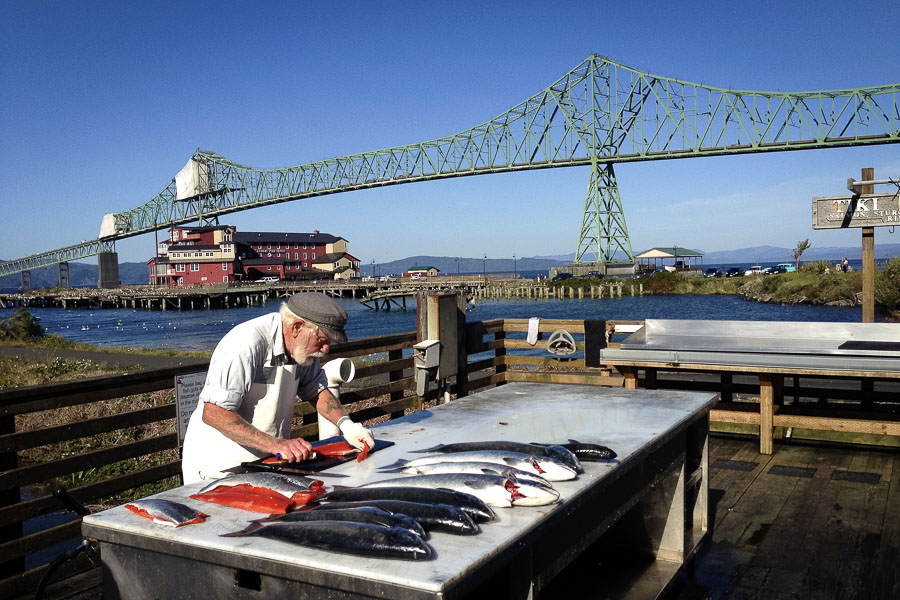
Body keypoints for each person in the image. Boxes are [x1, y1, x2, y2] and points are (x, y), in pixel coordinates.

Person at [181, 292, 374, 484]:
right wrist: (278, 444)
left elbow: (317, 390)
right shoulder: (246, 343)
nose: (326, 350)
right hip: (216, 469)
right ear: (297, 327)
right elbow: (214, 413)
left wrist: (346, 424)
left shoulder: (303, 350)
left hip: (265, 462)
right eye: (322, 340)